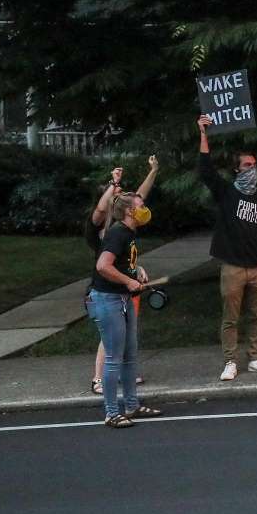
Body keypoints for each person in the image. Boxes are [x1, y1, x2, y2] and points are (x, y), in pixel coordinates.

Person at [198, 115, 257, 381]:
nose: (251, 169)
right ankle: (230, 361)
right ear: (237, 170)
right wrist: (203, 134)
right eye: (246, 165)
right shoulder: (226, 193)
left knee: (256, 316)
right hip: (233, 266)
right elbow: (206, 172)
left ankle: (255, 357)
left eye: (254, 165)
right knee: (231, 318)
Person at [85, 192, 163, 427]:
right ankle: (111, 413)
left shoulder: (128, 233)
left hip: (122, 298)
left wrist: (135, 271)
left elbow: (119, 262)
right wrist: (128, 281)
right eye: (141, 205)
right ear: (130, 211)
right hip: (107, 299)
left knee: (129, 355)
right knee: (113, 358)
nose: (144, 208)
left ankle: (131, 405)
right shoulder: (118, 233)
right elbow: (102, 266)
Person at [86, 158, 158, 395]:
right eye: (114, 195)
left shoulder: (125, 228)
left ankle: (126, 388)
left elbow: (139, 197)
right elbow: (104, 264)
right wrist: (112, 184)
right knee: (109, 339)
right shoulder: (101, 226)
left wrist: (153, 171)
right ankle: (100, 381)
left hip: (123, 289)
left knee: (124, 339)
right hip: (107, 290)